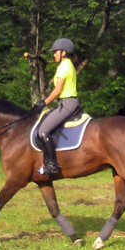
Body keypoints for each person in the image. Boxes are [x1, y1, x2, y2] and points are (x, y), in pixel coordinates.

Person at [32, 38, 80, 175]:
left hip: (67, 103)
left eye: (55, 52)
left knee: (43, 131)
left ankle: (52, 164)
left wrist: (44, 102)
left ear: (63, 52)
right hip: (67, 103)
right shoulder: (69, 65)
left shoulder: (63, 67)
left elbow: (57, 90)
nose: (53, 55)